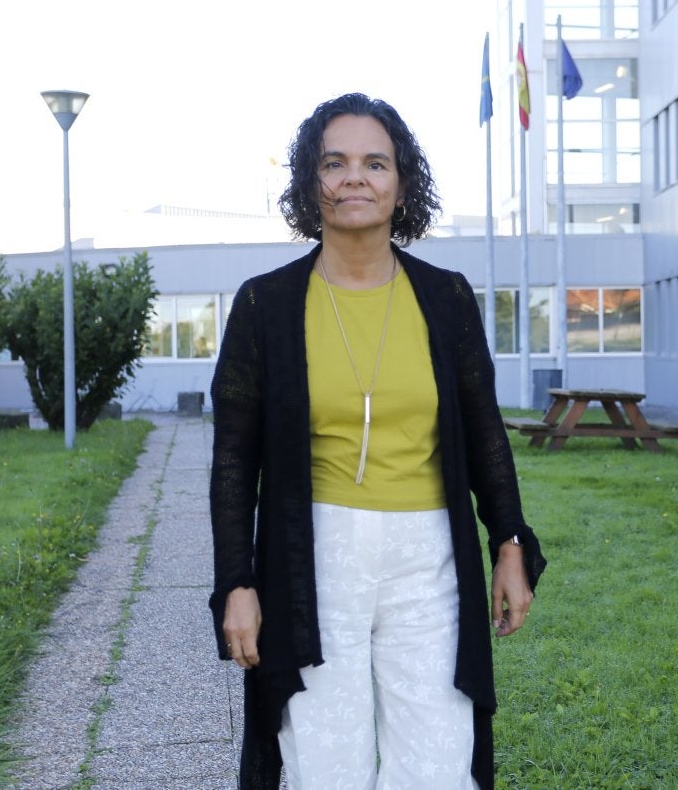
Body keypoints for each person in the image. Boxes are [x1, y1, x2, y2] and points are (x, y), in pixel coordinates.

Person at [209, 92, 545, 789]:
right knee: (325, 762)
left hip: (429, 563)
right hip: (314, 560)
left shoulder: (445, 297)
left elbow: (485, 433)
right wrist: (236, 582)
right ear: (311, 182)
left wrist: (508, 542)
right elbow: (234, 459)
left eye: (374, 163)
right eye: (334, 163)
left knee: (436, 758)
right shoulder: (263, 305)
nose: (354, 178)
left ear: (401, 184)